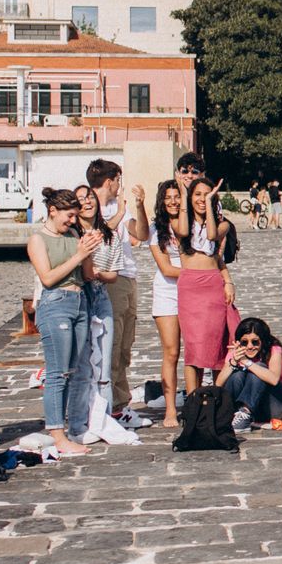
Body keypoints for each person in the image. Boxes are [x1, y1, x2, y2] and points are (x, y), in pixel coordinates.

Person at [27, 189, 104, 456]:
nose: (72, 221)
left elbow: (86, 274)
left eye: (75, 216)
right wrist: (79, 254)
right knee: (57, 373)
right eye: (69, 216)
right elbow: (48, 278)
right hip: (55, 303)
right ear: (53, 211)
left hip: (79, 301)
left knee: (70, 371)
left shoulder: (73, 235)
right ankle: (58, 435)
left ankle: (66, 430)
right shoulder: (38, 239)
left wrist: (90, 248)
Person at [88, 158, 150, 428]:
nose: (118, 186)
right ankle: (109, 406)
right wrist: (121, 211)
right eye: (117, 180)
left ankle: (121, 403)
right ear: (110, 180)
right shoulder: (89, 207)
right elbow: (97, 234)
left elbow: (142, 235)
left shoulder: (119, 209)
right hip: (108, 281)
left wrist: (137, 207)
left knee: (125, 344)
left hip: (128, 278)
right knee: (110, 346)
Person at [172, 174, 238, 389]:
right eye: (197, 195)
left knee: (218, 344)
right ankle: (193, 402)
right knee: (194, 347)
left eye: (206, 194)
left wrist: (228, 281)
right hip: (190, 286)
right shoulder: (181, 221)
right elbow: (182, 232)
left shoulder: (223, 225)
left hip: (213, 285)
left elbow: (211, 236)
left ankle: (218, 399)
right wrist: (183, 195)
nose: (201, 198)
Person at [73, 183, 120, 435]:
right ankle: (80, 420)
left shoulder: (109, 235)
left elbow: (113, 274)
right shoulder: (71, 233)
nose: (87, 202)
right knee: (81, 363)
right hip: (79, 296)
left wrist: (99, 273)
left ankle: (105, 419)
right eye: (81, 199)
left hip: (101, 294)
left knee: (104, 362)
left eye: (90, 197)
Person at [216, 316, 282, 432]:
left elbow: (273, 379)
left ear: (263, 340)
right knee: (237, 374)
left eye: (255, 342)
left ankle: (245, 413)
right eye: (244, 342)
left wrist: (246, 362)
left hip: (278, 403)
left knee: (258, 370)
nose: (250, 346)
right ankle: (233, 413)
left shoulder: (273, 348)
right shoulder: (236, 352)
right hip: (256, 409)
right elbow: (218, 384)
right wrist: (233, 362)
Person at [149, 179, 185, 427]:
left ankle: (195, 404)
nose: (173, 201)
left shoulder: (191, 224)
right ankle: (170, 409)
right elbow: (166, 268)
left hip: (194, 291)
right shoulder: (156, 229)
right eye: (168, 197)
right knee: (171, 352)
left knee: (194, 353)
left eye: (177, 196)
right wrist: (199, 273)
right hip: (167, 291)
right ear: (162, 201)